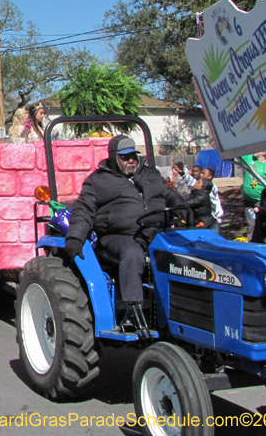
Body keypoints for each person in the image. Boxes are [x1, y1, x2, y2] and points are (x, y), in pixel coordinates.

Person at [64, 135, 189, 326]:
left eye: (133, 156)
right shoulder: (97, 181)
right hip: (118, 236)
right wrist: (75, 238)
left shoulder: (151, 175)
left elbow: (168, 194)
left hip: (157, 232)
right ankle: (132, 311)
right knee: (132, 253)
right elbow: (84, 211)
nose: (131, 160)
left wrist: (180, 205)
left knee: (187, 252)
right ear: (114, 158)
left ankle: (184, 310)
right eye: (125, 157)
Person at [241, 151, 266, 241]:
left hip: (260, 202)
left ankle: (264, 243)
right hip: (248, 201)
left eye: (257, 149)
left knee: (261, 224)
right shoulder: (249, 158)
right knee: (252, 224)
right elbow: (238, 152)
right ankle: (251, 244)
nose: (254, 150)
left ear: (264, 152)